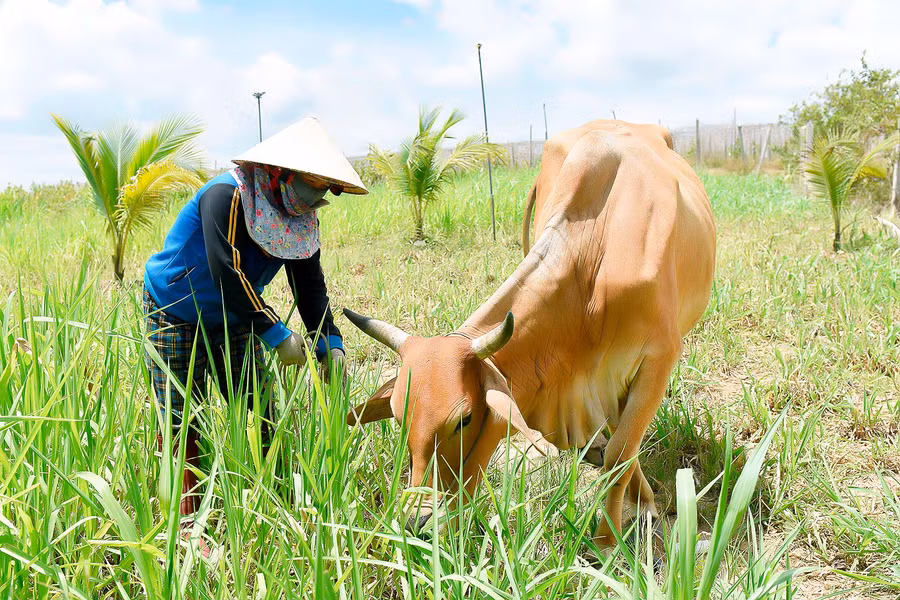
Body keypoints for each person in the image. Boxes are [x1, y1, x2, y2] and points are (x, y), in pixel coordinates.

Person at [143, 117, 367, 522]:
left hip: (234, 318)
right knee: (179, 417)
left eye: (325, 193)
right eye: (314, 188)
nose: (319, 200)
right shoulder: (226, 196)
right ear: (281, 174)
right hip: (175, 309)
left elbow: (309, 286)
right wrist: (277, 334)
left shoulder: (300, 218)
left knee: (258, 405)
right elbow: (225, 271)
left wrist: (328, 343)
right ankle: (187, 523)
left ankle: (274, 501)